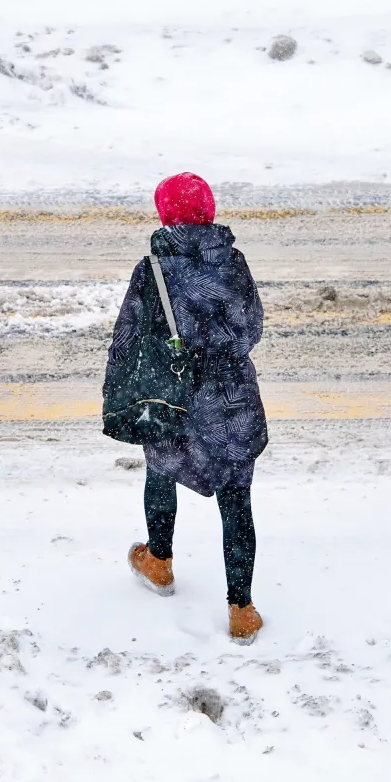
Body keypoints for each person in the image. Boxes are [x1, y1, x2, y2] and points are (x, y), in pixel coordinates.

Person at [108, 172, 269, 644]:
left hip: (173, 393)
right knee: (236, 499)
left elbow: (127, 338)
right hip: (231, 399)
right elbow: (251, 328)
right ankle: (241, 610)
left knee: (161, 468)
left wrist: (121, 391)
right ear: (208, 211)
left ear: (166, 215)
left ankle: (159, 562)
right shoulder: (233, 263)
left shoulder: (153, 270)